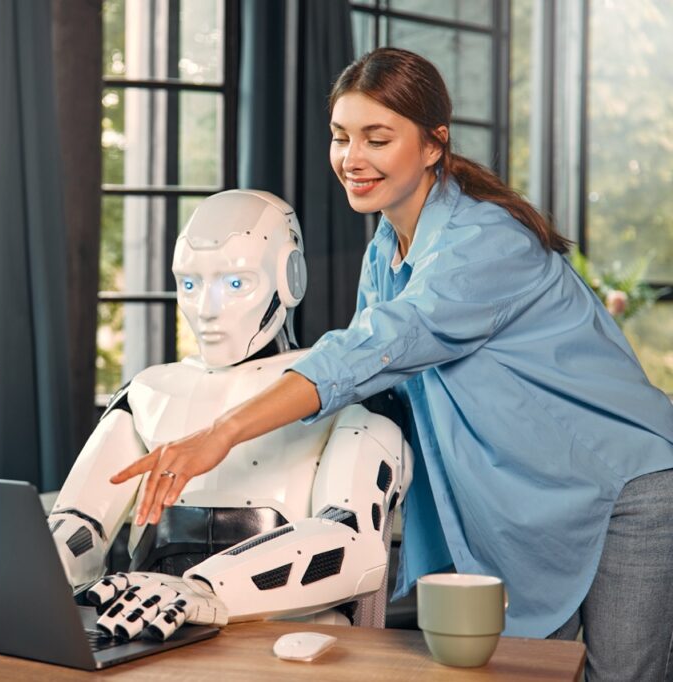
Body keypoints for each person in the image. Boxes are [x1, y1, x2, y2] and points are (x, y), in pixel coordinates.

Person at [111, 48, 673, 681]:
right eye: (341, 137)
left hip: (626, 483)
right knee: (534, 671)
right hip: (533, 497)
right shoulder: (385, 249)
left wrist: (221, 434)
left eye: (377, 138)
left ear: (434, 145)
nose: (353, 159)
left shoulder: (484, 241)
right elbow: (378, 392)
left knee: (624, 677)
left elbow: (372, 349)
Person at [47, 189, 413, 641]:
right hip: (150, 644)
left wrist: (203, 589)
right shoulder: (148, 393)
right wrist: (23, 577)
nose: (207, 309)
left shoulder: (347, 390)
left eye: (236, 283)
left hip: (290, 649)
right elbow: (78, 526)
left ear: (289, 278)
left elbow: (351, 543)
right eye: (189, 285)